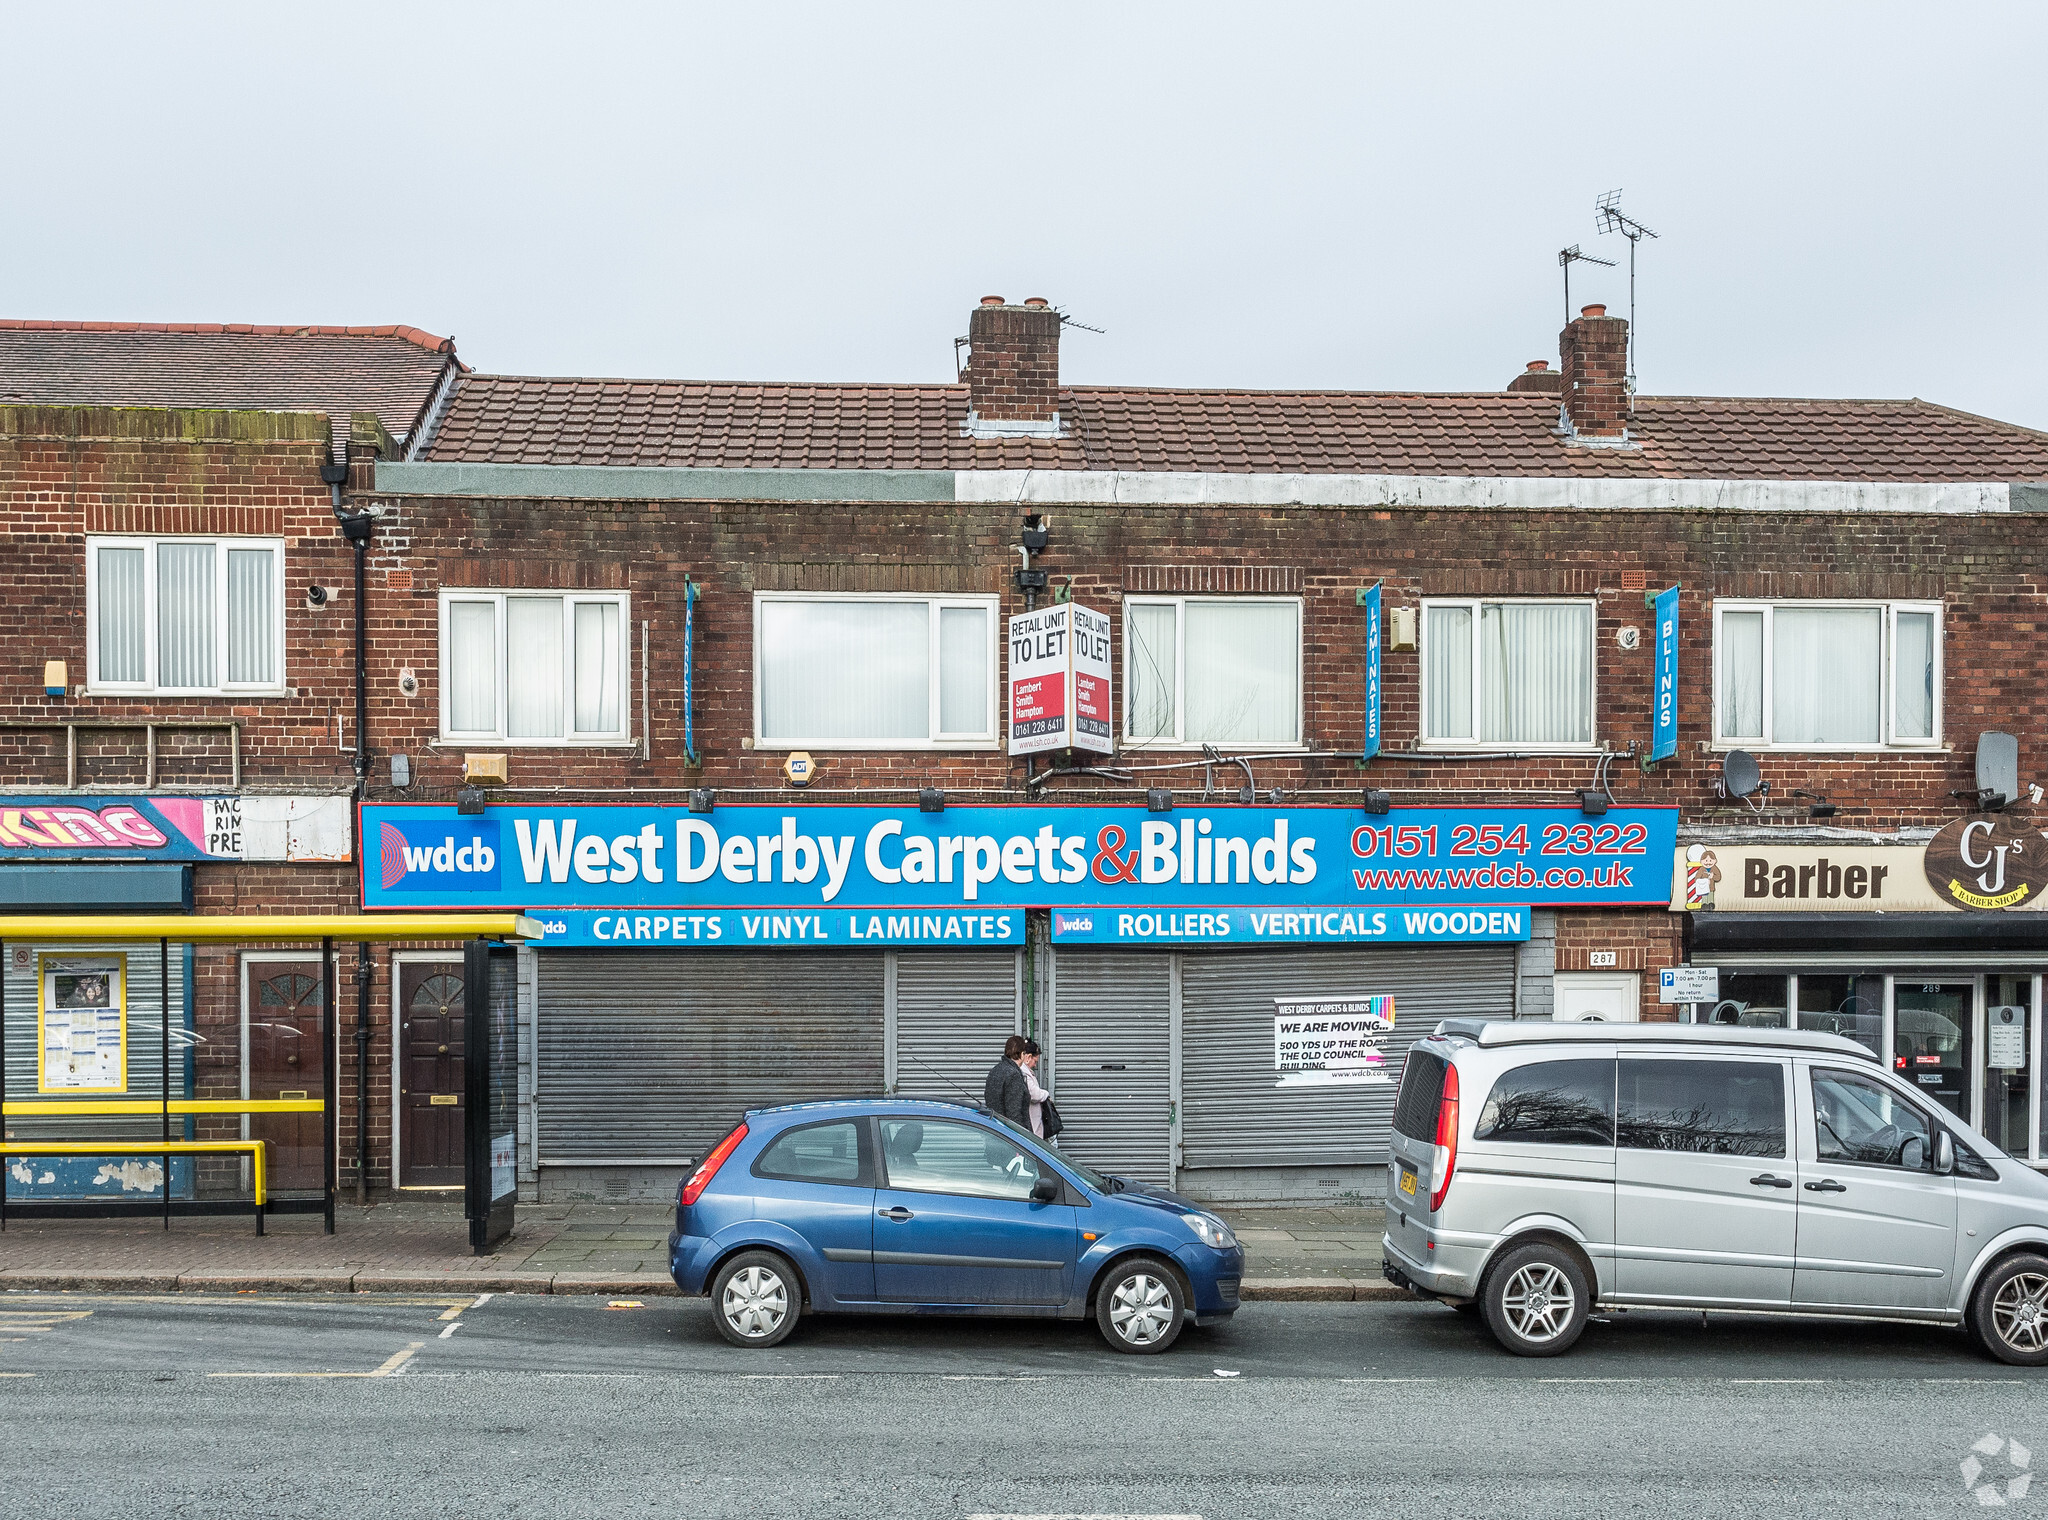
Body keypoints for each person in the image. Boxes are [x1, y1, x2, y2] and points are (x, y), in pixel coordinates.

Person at [983, 1034, 1032, 1129]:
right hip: (1009, 1136)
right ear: (1022, 1054)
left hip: (994, 1130)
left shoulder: (995, 1070)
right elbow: (1014, 1114)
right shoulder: (1013, 1074)